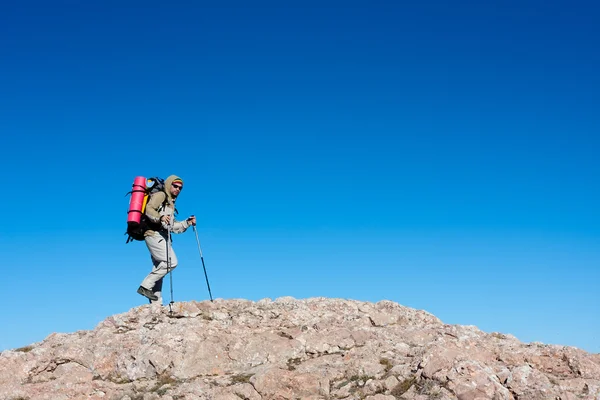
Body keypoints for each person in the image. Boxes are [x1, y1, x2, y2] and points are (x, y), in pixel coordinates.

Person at [137, 175, 196, 304]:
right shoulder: (161, 195)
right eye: (175, 186)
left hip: (162, 236)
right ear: (169, 185)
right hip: (153, 234)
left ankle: (156, 305)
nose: (178, 189)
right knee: (171, 262)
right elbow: (149, 209)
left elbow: (173, 226)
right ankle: (145, 286)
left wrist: (187, 223)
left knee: (160, 267)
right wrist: (160, 217)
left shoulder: (170, 203)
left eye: (180, 188)